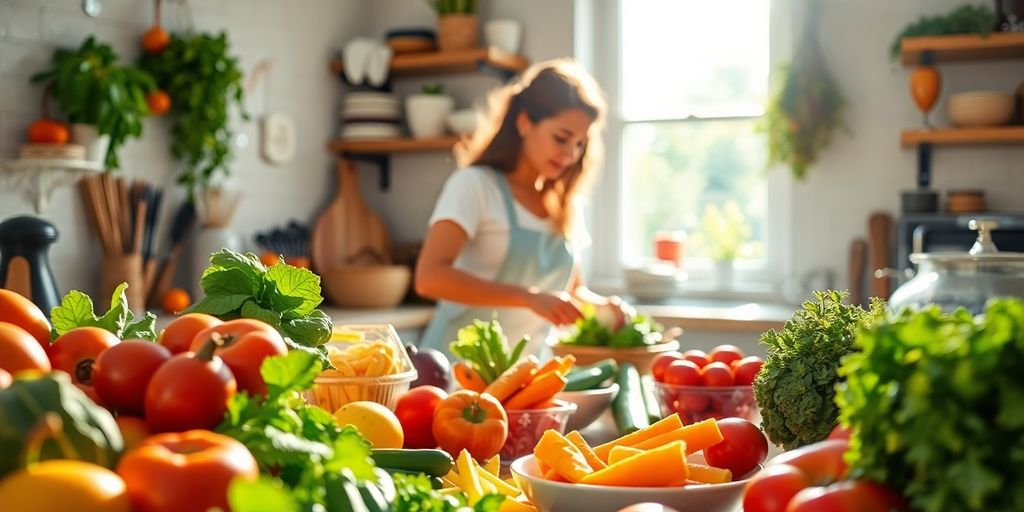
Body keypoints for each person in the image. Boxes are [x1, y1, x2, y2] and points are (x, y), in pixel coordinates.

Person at [415, 58, 628, 358]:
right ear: (525, 121)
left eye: (580, 143)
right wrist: (527, 297)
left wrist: (602, 308)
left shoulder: (565, 206)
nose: (570, 154)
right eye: (561, 138)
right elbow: (429, 278)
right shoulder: (475, 185)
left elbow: (571, 293)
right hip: (455, 372)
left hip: (525, 376)